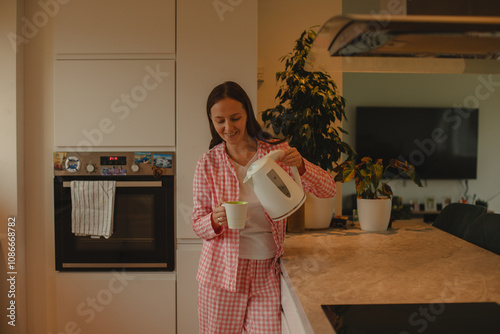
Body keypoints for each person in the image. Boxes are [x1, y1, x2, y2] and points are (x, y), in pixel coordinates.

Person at [192, 81, 336, 333]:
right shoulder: (207, 163)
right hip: (221, 274)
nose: (228, 127)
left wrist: (301, 165)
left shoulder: (276, 152)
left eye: (235, 118)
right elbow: (198, 224)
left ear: (247, 114)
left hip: (267, 270)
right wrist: (214, 219)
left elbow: (328, 189)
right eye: (220, 121)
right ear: (211, 122)